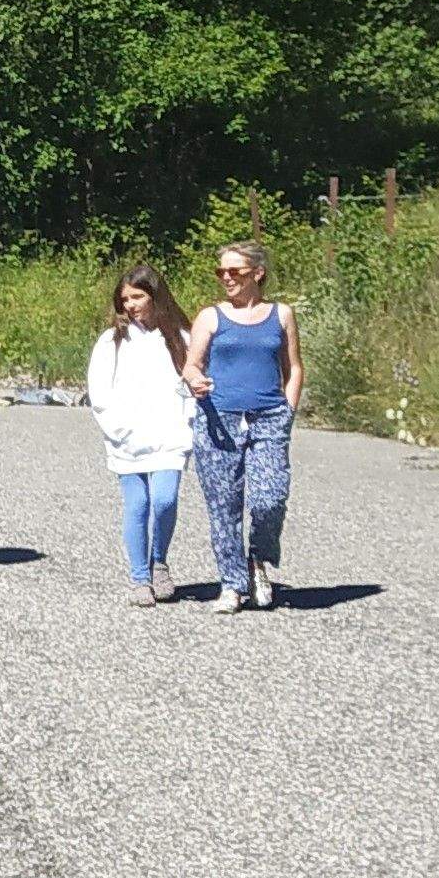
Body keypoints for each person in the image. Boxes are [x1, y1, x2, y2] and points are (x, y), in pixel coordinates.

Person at [184, 239, 302, 613]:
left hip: (268, 417)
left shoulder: (281, 314)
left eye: (234, 271)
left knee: (270, 498)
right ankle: (232, 585)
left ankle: (258, 560)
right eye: (221, 272)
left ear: (258, 273)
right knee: (224, 507)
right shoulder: (210, 316)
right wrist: (194, 379)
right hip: (219, 419)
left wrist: (288, 409)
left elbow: (294, 366)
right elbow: (191, 364)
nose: (226, 278)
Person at [88, 264, 198, 606]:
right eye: (125, 299)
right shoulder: (112, 341)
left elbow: (194, 382)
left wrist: (189, 423)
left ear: (155, 295)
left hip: (170, 434)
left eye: (138, 296)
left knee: (164, 500)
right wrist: (119, 430)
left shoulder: (181, 336)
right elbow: (99, 390)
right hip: (128, 438)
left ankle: (159, 561)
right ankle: (139, 577)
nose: (132, 305)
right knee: (138, 504)